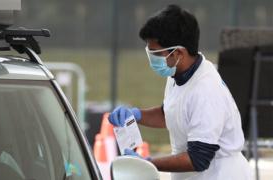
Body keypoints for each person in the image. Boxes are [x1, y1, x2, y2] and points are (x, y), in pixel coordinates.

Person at [108, 4, 252, 180]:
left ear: (177, 53)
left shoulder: (206, 91)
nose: (151, 59)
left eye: (155, 53)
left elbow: (198, 159)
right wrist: (135, 115)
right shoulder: (179, 72)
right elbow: (171, 114)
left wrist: (147, 163)